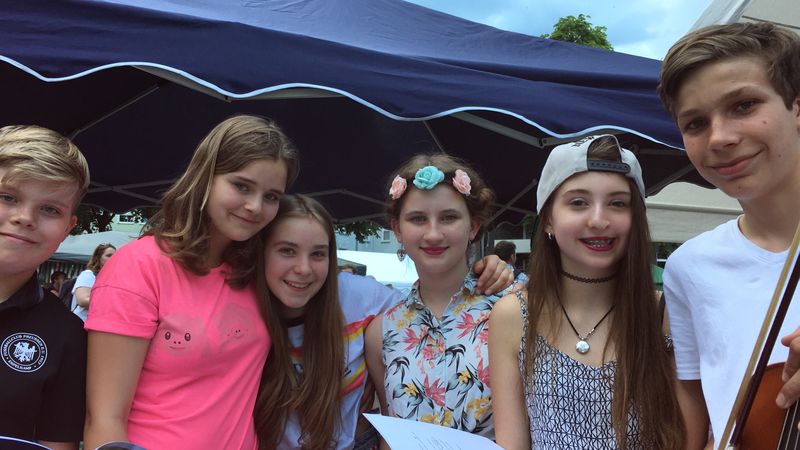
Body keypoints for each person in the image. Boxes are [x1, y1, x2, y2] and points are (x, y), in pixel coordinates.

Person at [83, 115, 300, 450]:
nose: (255, 206)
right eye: (242, 186)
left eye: (271, 196)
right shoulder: (139, 266)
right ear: (205, 178)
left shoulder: (256, 271)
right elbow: (104, 420)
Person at [255, 195, 514, 450]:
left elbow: (428, 308)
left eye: (318, 254)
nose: (303, 268)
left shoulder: (362, 299)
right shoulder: (241, 309)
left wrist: (492, 269)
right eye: (287, 251)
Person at [489, 135, 685, 449]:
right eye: (578, 202)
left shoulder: (664, 313)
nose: (598, 220)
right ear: (548, 219)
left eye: (617, 203)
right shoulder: (513, 315)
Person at [658, 22, 800, 446]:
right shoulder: (688, 267)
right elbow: (693, 406)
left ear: (796, 107)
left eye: (743, 105)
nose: (719, 138)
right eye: (695, 123)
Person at [365, 154, 500, 443]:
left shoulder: (512, 306)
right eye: (418, 219)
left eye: (449, 217)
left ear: (473, 226)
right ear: (397, 229)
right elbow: (391, 436)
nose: (433, 234)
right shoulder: (382, 332)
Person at [0, 125, 90, 449]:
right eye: (7, 197)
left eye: (50, 209)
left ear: (67, 228)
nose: (25, 217)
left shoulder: (68, 336)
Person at [70, 243, 116, 321]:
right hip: (81, 321)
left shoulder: (111, 278)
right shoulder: (88, 274)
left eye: (115, 256)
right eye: (108, 255)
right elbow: (82, 300)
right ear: (98, 258)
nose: (112, 258)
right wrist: (112, 302)